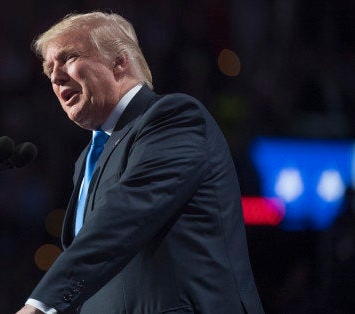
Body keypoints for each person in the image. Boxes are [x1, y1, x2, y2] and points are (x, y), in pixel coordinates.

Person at [16, 11, 264, 314]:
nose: (54, 77)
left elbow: (124, 215)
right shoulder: (86, 160)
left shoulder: (174, 118)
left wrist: (40, 305)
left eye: (68, 58)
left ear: (119, 61)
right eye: (48, 69)